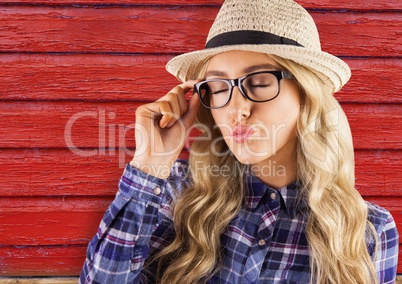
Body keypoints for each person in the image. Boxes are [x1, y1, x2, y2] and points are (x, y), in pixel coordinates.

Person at [79, 0, 399, 283]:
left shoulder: (368, 231)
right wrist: (150, 163)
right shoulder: (173, 195)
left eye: (259, 82)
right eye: (218, 87)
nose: (237, 110)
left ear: (306, 95)